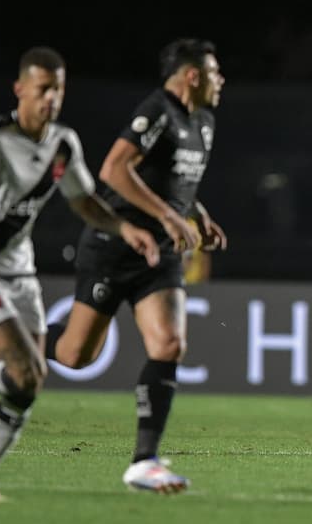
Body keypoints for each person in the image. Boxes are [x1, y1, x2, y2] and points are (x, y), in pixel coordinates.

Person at [0, 46, 159, 501]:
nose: (51, 98)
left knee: (27, 384)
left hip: (20, 273)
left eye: (58, 90)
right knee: (24, 374)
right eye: (43, 89)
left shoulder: (62, 145)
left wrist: (126, 227)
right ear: (21, 90)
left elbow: (84, 201)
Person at [43, 38, 227, 493]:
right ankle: (13, 340)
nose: (221, 79)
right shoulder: (158, 109)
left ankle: (144, 461)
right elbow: (113, 170)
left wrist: (198, 216)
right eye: (214, 71)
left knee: (169, 344)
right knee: (74, 354)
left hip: (160, 251)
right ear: (192, 75)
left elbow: (176, 181)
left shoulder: (203, 122)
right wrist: (168, 214)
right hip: (115, 243)